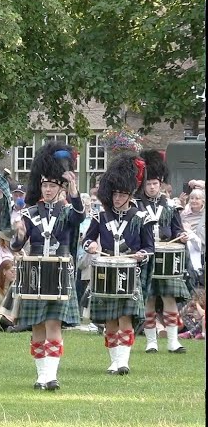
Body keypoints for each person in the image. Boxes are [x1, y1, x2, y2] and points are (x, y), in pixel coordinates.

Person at [11, 143, 85, 390]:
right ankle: (40, 376)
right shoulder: (30, 213)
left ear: (60, 188)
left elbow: (79, 217)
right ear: (40, 187)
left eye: (53, 186)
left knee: (53, 323)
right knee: (38, 325)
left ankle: (51, 377)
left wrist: (74, 190)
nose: (48, 189)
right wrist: (18, 235)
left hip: (59, 269)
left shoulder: (66, 211)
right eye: (45, 185)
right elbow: (16, 244)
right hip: (35, 271)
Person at [83, 154, 153, 375]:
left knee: (125, 318)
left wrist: (140, 255)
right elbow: (86, 240)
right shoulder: (100, 217)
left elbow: (150, 248)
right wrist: (91, 247)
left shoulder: (142, 218)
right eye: (114, 193)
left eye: (122, 193)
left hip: (130, 273)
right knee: (110, 319)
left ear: (130, 194)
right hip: (106, 272)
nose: (117, 197)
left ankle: (124, 361)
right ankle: (114, 361)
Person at [136, 150, 189, 353]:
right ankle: (151, 341)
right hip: (147, 257)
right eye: (148, 184)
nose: (151, 187)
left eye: (155, 184)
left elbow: (178, 230)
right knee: (149, 299)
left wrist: (182, 236)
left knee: (169, 299)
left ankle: (173, 341)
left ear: (161, 184)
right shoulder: (137, 205)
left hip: (167, 257)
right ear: (144, 184)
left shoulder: (170, 206)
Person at [181, 187, 204, 290]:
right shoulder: (184, 213)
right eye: (192, 198)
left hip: (202, 249)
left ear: (203, 201)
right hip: (188, 247)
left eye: (197, 198)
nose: (194, 201)